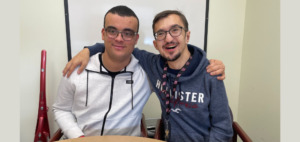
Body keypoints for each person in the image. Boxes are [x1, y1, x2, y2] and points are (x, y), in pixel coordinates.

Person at [64, 9, 233, 142]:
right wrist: (89, 49)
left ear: (187, 35)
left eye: (175, 30)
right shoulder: (154, 65)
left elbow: (223, 127)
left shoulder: (210, 73)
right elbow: (120, 44)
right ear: (155, 43)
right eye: (161, 34)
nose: (168, 39)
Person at [52, 5, 152, 139]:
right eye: (112, 31)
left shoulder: (147, 74)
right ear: (103, 33)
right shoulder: (77, 69)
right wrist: (78, 137)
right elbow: (61, 109)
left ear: (136, 38)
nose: (119, 38)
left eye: (127, 33)